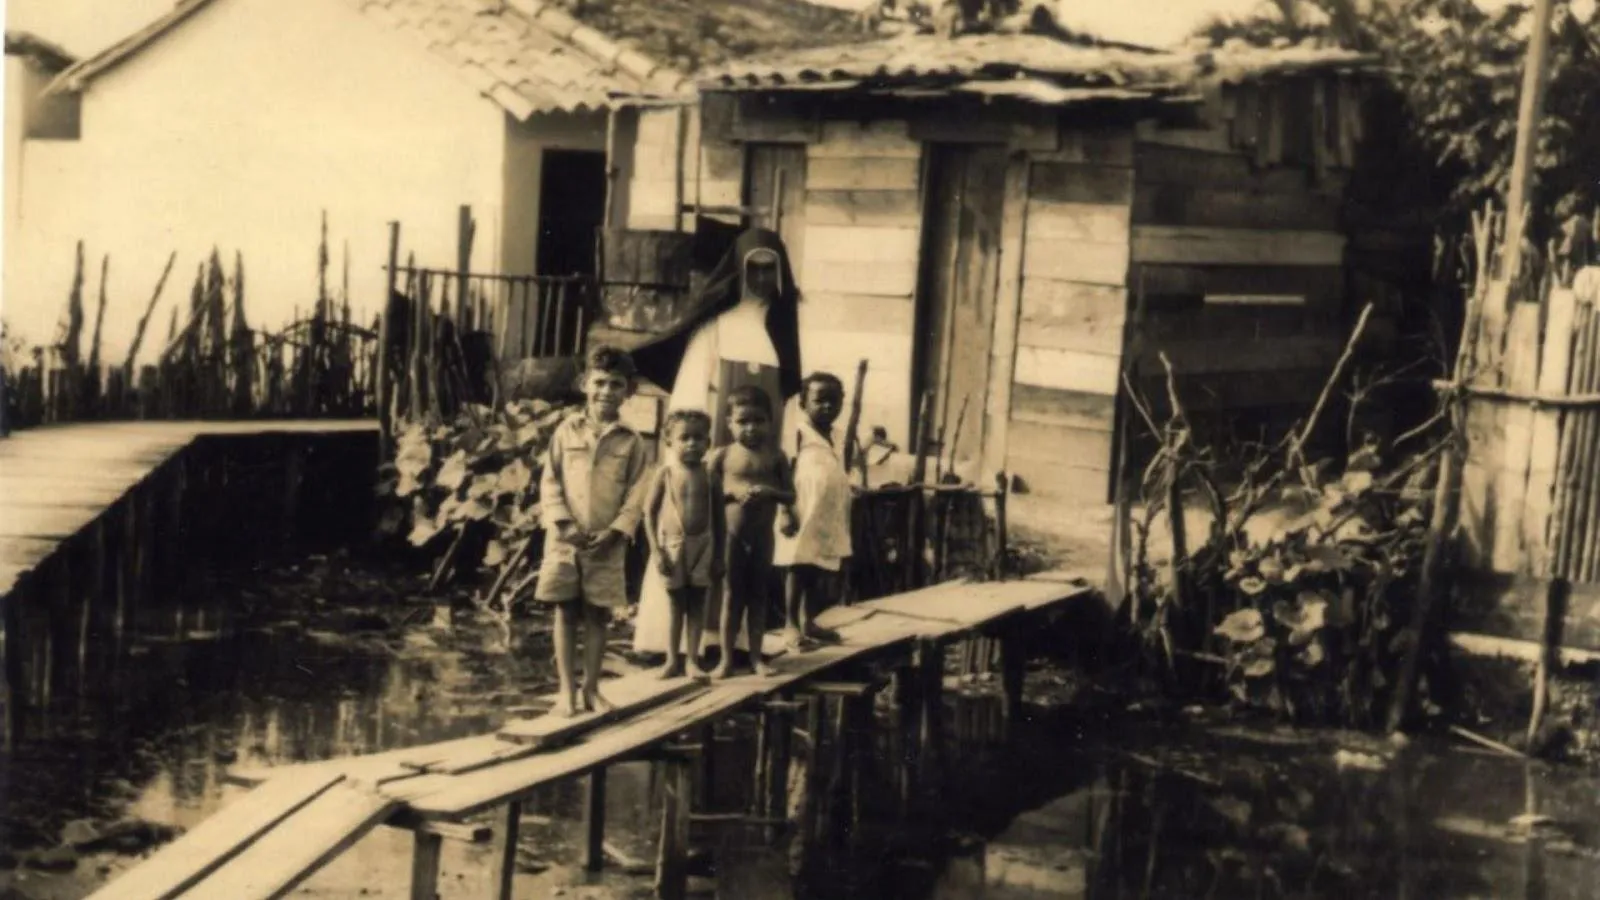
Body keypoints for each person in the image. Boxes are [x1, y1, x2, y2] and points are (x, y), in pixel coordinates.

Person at [631, 229, 805, 657]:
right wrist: (691, 453)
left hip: (759, 456)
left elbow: (789, 398)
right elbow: (690, 393)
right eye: (755, 268)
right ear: (739, 271)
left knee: (748, 541)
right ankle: (673, 642)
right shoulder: (716, 325)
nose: (762, 278)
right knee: (695, 533)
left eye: (771, 268)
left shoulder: (781, 331)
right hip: (713, 451)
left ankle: (737, 641)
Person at [535, 344, 651, 717]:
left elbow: (637, 491)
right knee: (566, 611)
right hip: (565, 540)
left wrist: (619, 530)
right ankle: (566, 692)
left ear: (628, 391)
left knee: (599, 613)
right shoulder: (565, 431)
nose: (606, 392)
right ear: (585, 383)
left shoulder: (631, 441)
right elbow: (549, 480)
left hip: (606, 542)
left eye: (616, 385)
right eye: (599, 383)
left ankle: (591, 689)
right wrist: (563, 522)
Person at [707, 385, 798, 678]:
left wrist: (770, 491)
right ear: (729, 423)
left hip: (762, 537)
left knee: (758, 595)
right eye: (743, 421)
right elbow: (708, 495)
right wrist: (733, 491)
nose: (751, 428)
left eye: (758, 421)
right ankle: (726, 659)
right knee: (731, 596)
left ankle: (757, 658)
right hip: (731, 537)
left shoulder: (777, 457)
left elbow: (790, 495)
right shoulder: (721, 456)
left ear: (770, 423)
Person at [642, 409, 724, 680]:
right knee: (676, 603)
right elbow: (649, 513)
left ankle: (692, 660)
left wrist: (719, 556)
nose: (692, 444)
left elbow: (720, 519)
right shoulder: (665, 473)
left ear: (708, 444)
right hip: (672, 545)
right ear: (669, 442)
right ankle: (671, 659)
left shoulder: (710, 476)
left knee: (698, 602)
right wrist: (656, 550)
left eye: (699, 438)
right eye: (684, 438)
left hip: (703, 545)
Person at [774, 371, 853, 650]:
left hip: (826, 511)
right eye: (820, 400)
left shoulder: (839, 436)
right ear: (803, 403)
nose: (827, 406)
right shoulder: (796, 433)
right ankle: (791, 624)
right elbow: (782, 473)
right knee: (798, 564)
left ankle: (809, 620)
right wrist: (785, 511)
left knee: (818, 565)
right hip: (800, 508)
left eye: (834, 401)